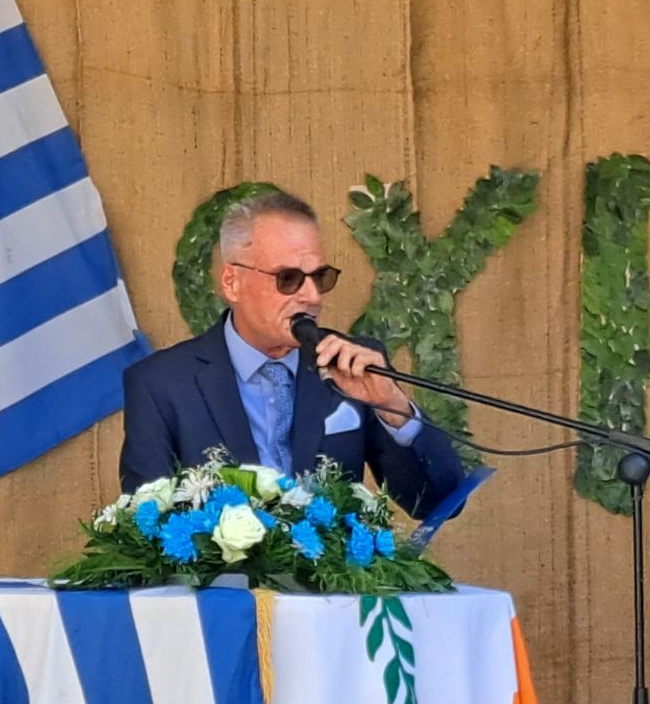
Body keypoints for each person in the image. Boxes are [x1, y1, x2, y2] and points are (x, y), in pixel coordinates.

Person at [119, 190, 463, 517]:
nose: (312, 297)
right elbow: (146, 528)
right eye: (288, 278)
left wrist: (392, 406)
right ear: (232, 282)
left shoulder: (352, 365)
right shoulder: (161, 385)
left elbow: (440, 503)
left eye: (320, 277)